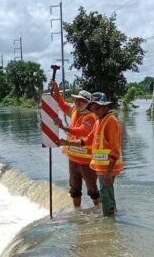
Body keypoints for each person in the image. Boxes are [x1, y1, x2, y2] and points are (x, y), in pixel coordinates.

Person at [50, 80, 100, 208]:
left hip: (86, 161)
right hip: (73, 159)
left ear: (88, 104)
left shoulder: (91, 117)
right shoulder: (74, 109)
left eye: (81, 101)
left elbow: (81, 131)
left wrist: (63, 127)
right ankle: (77, 213)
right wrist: (56, 89)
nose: (77, 103)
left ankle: (100, 213)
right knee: (75, 190)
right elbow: (61, 103)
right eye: (77, 100)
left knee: (93, 191)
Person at [86, 92, 123, 217]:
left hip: (108, 168)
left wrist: (108, 172)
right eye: (92, 108)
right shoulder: (99, 121)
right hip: (102, 168)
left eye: (97, 107)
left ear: (106, 106)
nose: (95, 111)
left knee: (106, 196)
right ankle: (111, 219)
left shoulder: (110, 121)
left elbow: (115, 149)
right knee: (106, 194)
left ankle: (109, 225)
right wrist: (66, 141)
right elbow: (87, 140)